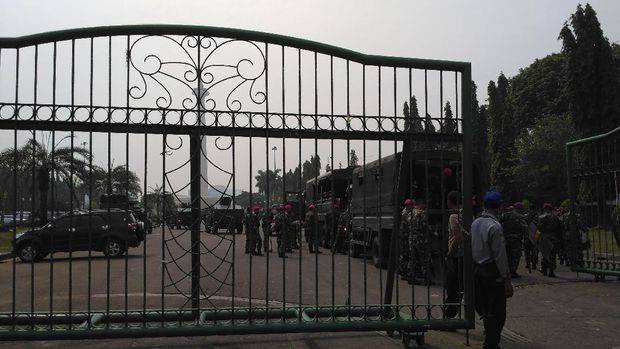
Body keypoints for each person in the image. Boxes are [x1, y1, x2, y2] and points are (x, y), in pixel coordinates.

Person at [471, 191, 513, 349]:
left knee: (485, 308)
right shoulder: (495, 226)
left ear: (483, 205)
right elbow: (500, 256)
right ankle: (491, 344)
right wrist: (507, 279)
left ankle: (489, 338)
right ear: (500, 206)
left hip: (479, 269)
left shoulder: (475, 223)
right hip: (492, 271)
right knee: (497, 311)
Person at [445, 191, 463, 319]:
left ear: (449, 201)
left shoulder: (453, 216)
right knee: (462, 287)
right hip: (467, 255)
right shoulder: (467, 214)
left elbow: (457, 238)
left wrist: (450, 254)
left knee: (452, 288)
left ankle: (449, 318)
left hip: (457, 256)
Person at [500, 203, 528, 278]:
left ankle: (506, 271)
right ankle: (512, 271)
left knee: (507, 255)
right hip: (516, 240)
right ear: (520, 209)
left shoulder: (505, 215)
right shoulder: (521, 217)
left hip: (506, 239)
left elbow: (499, 224)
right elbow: (524, 228)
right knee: (515, 256)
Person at [538, 203, 563, 277]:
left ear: (545, 209)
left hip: (544, 236)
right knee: (552, 255)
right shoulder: (556, 217)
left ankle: (544, 270)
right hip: (553, 236)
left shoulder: (541, 217)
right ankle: (551, 271)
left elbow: (539, 228)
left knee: (544, 254)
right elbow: (560, 229)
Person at [399, 199, 415, 280]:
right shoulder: (406, 213)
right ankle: (403, 272)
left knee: (404, 254)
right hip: (404, 236)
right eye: (412, 205)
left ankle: (403, 271)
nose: (413, 207)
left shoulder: (405, 211)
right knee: (405, 254)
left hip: (404, 235)